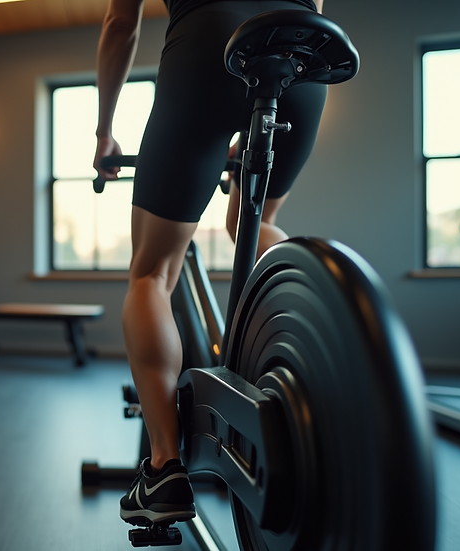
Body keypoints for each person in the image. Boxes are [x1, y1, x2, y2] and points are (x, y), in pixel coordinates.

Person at [93, 0, 327, 528]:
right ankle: (310, 344)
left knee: (152, 272)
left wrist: (105, 130)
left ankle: (163, 468)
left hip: (210, 40)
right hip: (301, 51)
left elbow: (120, 23)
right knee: (253, 220)